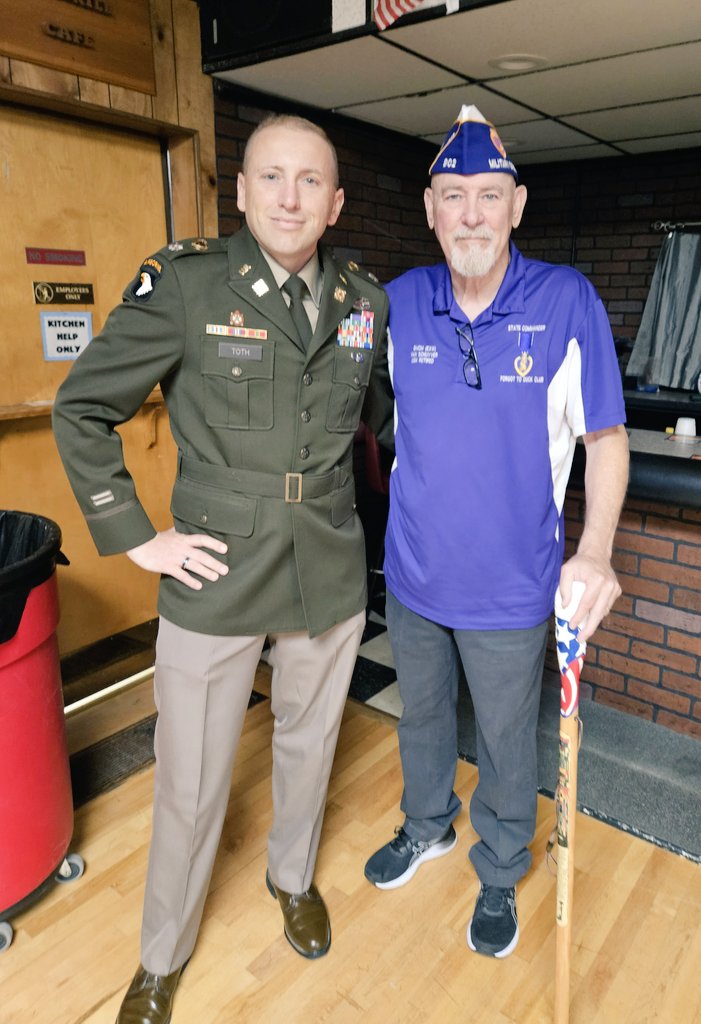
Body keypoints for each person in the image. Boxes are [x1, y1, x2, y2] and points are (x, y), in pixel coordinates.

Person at [53, 114, 392, 1024]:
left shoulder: (367, 300)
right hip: (215, 568)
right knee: (193, 775)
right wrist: (136, 538)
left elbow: (390, 426)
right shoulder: (189, 283)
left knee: (309, 743)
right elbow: (82, 410)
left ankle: (290, 879)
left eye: (309, 182)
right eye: (271, 178)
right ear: (239, 191)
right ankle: (162, 956)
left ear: (335, 203)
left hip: (326, 560)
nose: (289, 197)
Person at [364, 105, 629, 959]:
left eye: (487, 195)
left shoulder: (564, 301)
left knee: (511, 739)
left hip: (515, 584)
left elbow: (606, 439)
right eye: (452, 196)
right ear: (429, 209)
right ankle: (426, 825)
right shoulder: (398, 303)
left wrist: (593, 553)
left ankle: (501, 863)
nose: (469, 213)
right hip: (411, 574)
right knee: (423, 717)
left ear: (516, 206)